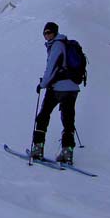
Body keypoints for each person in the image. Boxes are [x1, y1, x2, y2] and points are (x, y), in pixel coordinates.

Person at [31, 21, 80, 164]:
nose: (47, 36)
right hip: (72, 88)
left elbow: (51, 68)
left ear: (55, 32)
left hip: (58, 88)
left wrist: (42, 84)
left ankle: (37, 149)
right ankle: (67, 152)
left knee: (43, 117)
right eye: (45, 33)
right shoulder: (64, 43)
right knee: (68, 119)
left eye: (49, 32)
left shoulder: (57, 46)